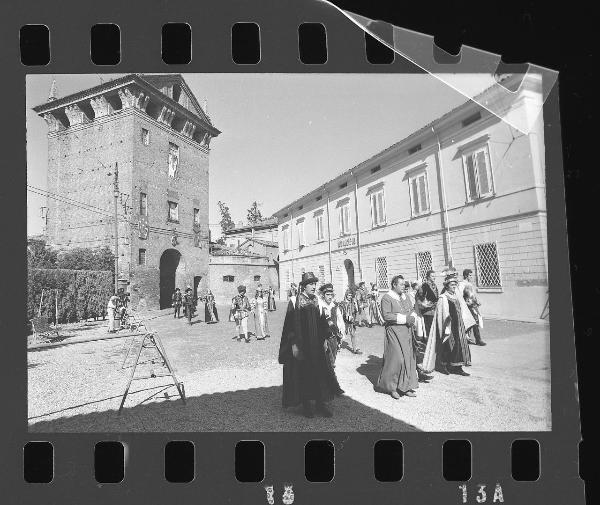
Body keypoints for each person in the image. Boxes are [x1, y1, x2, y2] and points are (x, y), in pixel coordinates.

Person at [288, 272, 338, 417]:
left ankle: (320, 404)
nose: (314, 286)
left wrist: (325, 339)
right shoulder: (294, 301)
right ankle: (306, 405)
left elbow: (322, 322)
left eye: (315, 284)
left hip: (316, 345)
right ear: (303, 286)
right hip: (302, 345)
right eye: (311, 284)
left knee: (319, 373)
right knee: (304, 374)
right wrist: (294, 345)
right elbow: (289, 326)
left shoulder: (317, 301)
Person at [422, 270, 477, 376]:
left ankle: (458, 367)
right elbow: (442, 314)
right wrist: (447, 325)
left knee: (460, 345)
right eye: (452, 285)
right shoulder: (443, 297)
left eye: (455, 284)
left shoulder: (456, 297)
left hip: (459, 325)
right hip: (449, 326)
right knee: (449, 346)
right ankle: (445, 366)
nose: (454, 286)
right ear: (447, 286)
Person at [376, 275, 420, 398]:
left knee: (408, 359)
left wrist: (413, 317)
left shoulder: (405, 297)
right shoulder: (387, 298)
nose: (403, 286)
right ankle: (392, 387)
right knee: (397, 359)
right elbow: (387, 316)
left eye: (404, 284)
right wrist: (406, 319)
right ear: (394, 285)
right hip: (394, 332)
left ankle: (405, 387)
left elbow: (411, 309)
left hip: (407, 332)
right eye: (401, 284)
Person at [317, 283, 345, 396]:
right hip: (323, 338)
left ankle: (329, 385)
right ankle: (332, 387)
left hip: (333, 338)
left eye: (331, 294)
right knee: (328, 362)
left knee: (332, 361)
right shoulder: (319, 306)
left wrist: (341, 334)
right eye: (327, 294)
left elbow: (340, 321)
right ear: (323, 295)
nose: (330, 297)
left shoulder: (335, 306)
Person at [458, 269, 486, 346]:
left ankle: (466, 338)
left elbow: (472, 295)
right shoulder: (462, 284)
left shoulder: (470, 284)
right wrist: (465, 303)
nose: (471, 277)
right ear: (466, 276)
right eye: (470, 275)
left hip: (473, 305)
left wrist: (477, 302)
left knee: (474, 322)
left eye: (471, 275)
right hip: (467, 307)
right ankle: (478, 340)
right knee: (473, 322)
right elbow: (460, 296)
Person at [416, 270, 439, 338]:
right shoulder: (424, 285)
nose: (434, 277)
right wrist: (423, 304)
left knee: (435, 330)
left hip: (434, 310)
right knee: (429, 330)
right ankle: (429, 346)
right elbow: (418, 297)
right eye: (432, 276)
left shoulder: (434, 285)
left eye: (434, 276)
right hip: (428, 312)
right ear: (428, 277)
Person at [338, 289, 362, 355]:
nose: (350, 297)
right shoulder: (342, 303)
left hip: (351, 321)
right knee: (342, 333)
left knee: (353, 334)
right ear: (346, 295)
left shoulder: (352, 303)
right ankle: (338, 346)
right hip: (344, 321)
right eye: (348, 295)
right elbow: (340, 313)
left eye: (351, 295)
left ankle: (354, 349)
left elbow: (356, 311)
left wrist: (355, 305)